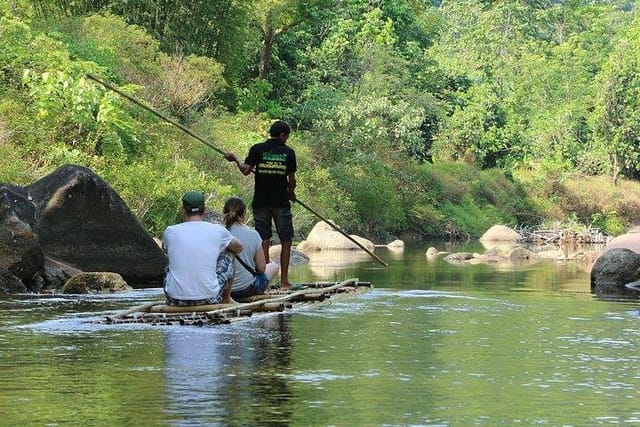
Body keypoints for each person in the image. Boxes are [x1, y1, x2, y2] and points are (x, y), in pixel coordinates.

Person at [225, 120, 297, 289]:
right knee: (286, 240)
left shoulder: (257, 149)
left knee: (263, 239)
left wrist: (235, 158)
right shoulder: (289, 152)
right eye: (286, 136)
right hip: (281, 202)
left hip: (261, 202)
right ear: (282, 135)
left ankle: (265, 279)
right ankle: (285, 282)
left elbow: (245, 170)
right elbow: (291, 180)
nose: (286, 139)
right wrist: (291, 193)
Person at [162, 190, 243, 306]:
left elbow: (166, 249)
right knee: (229, 253)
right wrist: (217, 251)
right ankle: (226, 299)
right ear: (205, 210)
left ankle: (177, 293)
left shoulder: (170, 231)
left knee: (169, 264)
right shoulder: (218, 230)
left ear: (183, 211)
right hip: (209, 298)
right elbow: (239, 247)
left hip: (175, 300)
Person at [223, 196, 280, 299]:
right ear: (244, 213)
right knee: (274, 267)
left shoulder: (218, 233)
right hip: (247, 289)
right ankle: (265, 290)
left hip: (222, 290)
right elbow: (261, 268)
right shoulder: (253, 234)